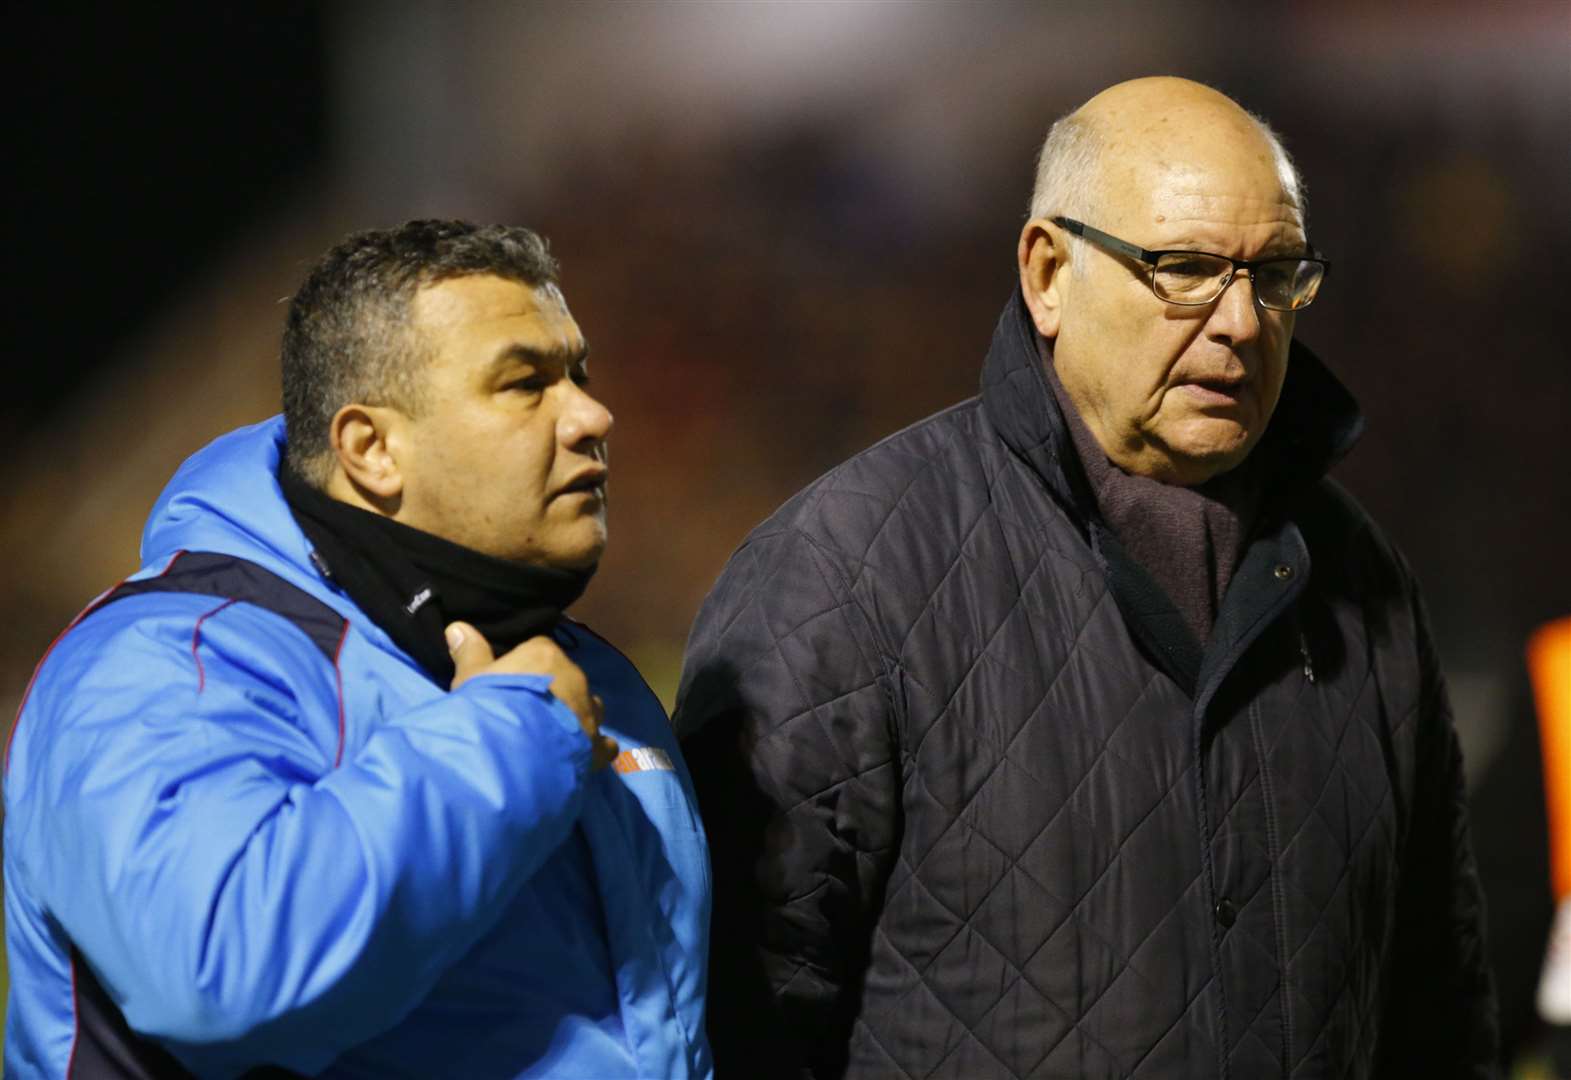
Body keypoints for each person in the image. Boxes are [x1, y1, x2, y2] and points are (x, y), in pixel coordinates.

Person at [675, 77, 1498, 1079]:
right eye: (1185, 268)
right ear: (1047, 272)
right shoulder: (842, 575)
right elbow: (736, 1031)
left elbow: (1435, 1013)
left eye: (1274, 272)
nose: (1240, 320)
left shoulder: (1361, 577)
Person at [4, 221, 712, 1078]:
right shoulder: (163, 660)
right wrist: (510, 741)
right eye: (526, 383)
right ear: (371, 449)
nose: (593, 415)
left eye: (580, 375)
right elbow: (218, 969)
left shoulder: (580, 675)